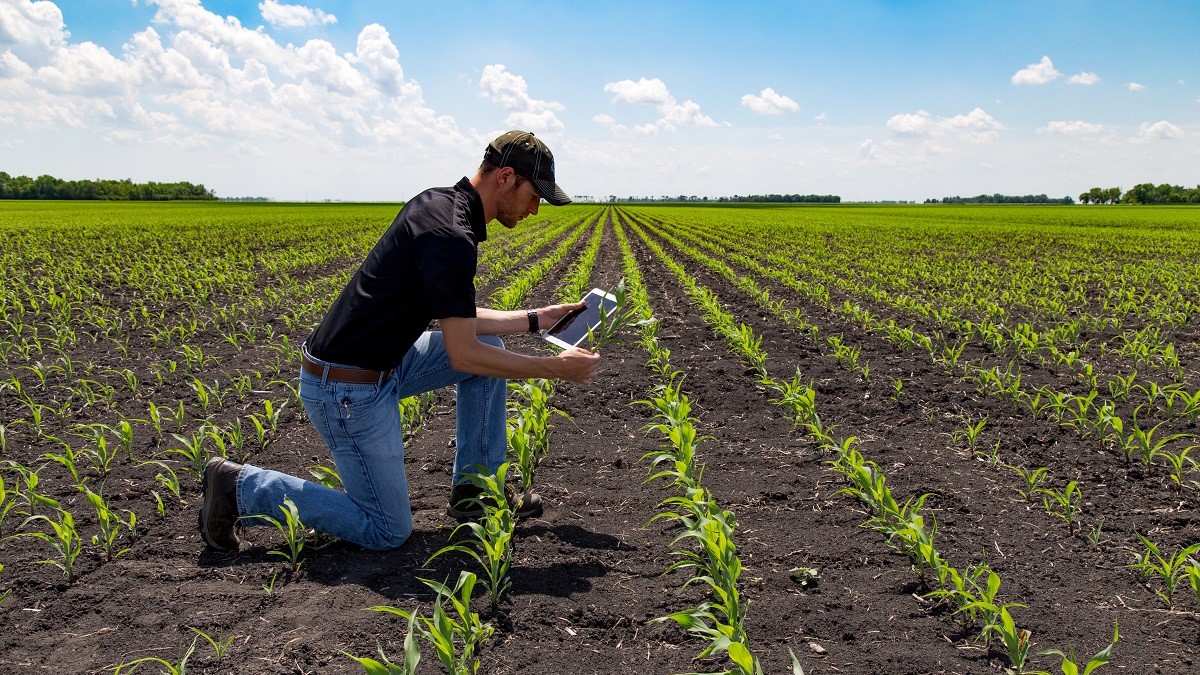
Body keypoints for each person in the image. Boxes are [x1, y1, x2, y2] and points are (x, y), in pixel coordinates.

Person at [199, 130, 601, 553]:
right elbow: (464, 352)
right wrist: (554, 370)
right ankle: (238, 487)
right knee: (386, 530)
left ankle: (477, 492)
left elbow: (458, 320)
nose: (536, 209)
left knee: (492, 353)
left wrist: (537, 320)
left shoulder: (439, 204)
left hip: (378, 363)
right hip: (347, 390)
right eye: (535, 194)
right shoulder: (451, 235)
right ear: (505, 177)